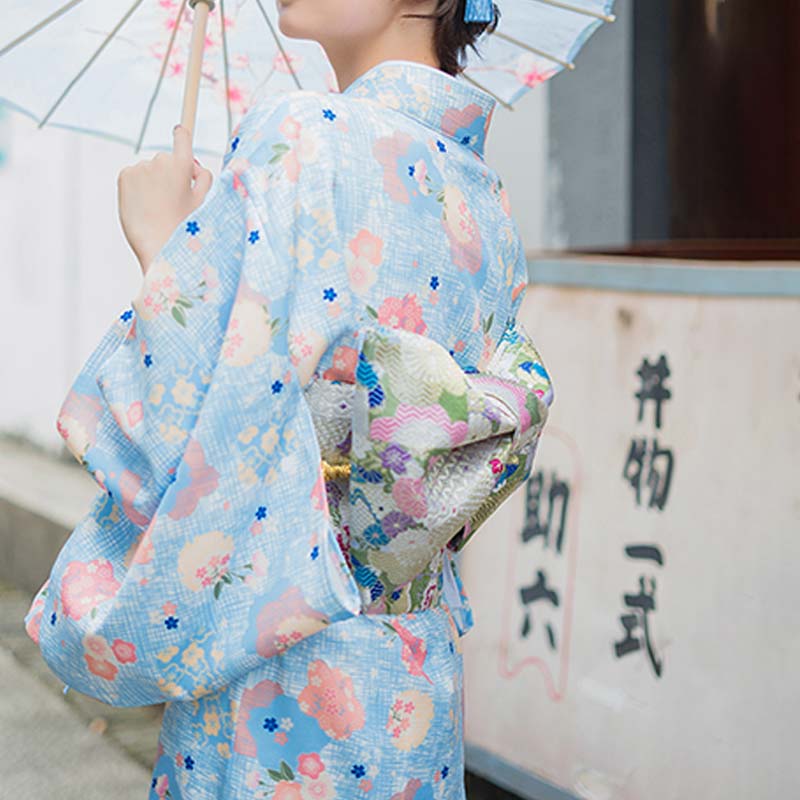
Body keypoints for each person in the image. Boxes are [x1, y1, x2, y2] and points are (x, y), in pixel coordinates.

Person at [24, 1, 554, 797]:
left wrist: (164, 247)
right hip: (412, 668)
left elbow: (198, 435)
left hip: (280, 661)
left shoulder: (303, 136)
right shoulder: (485, 199)